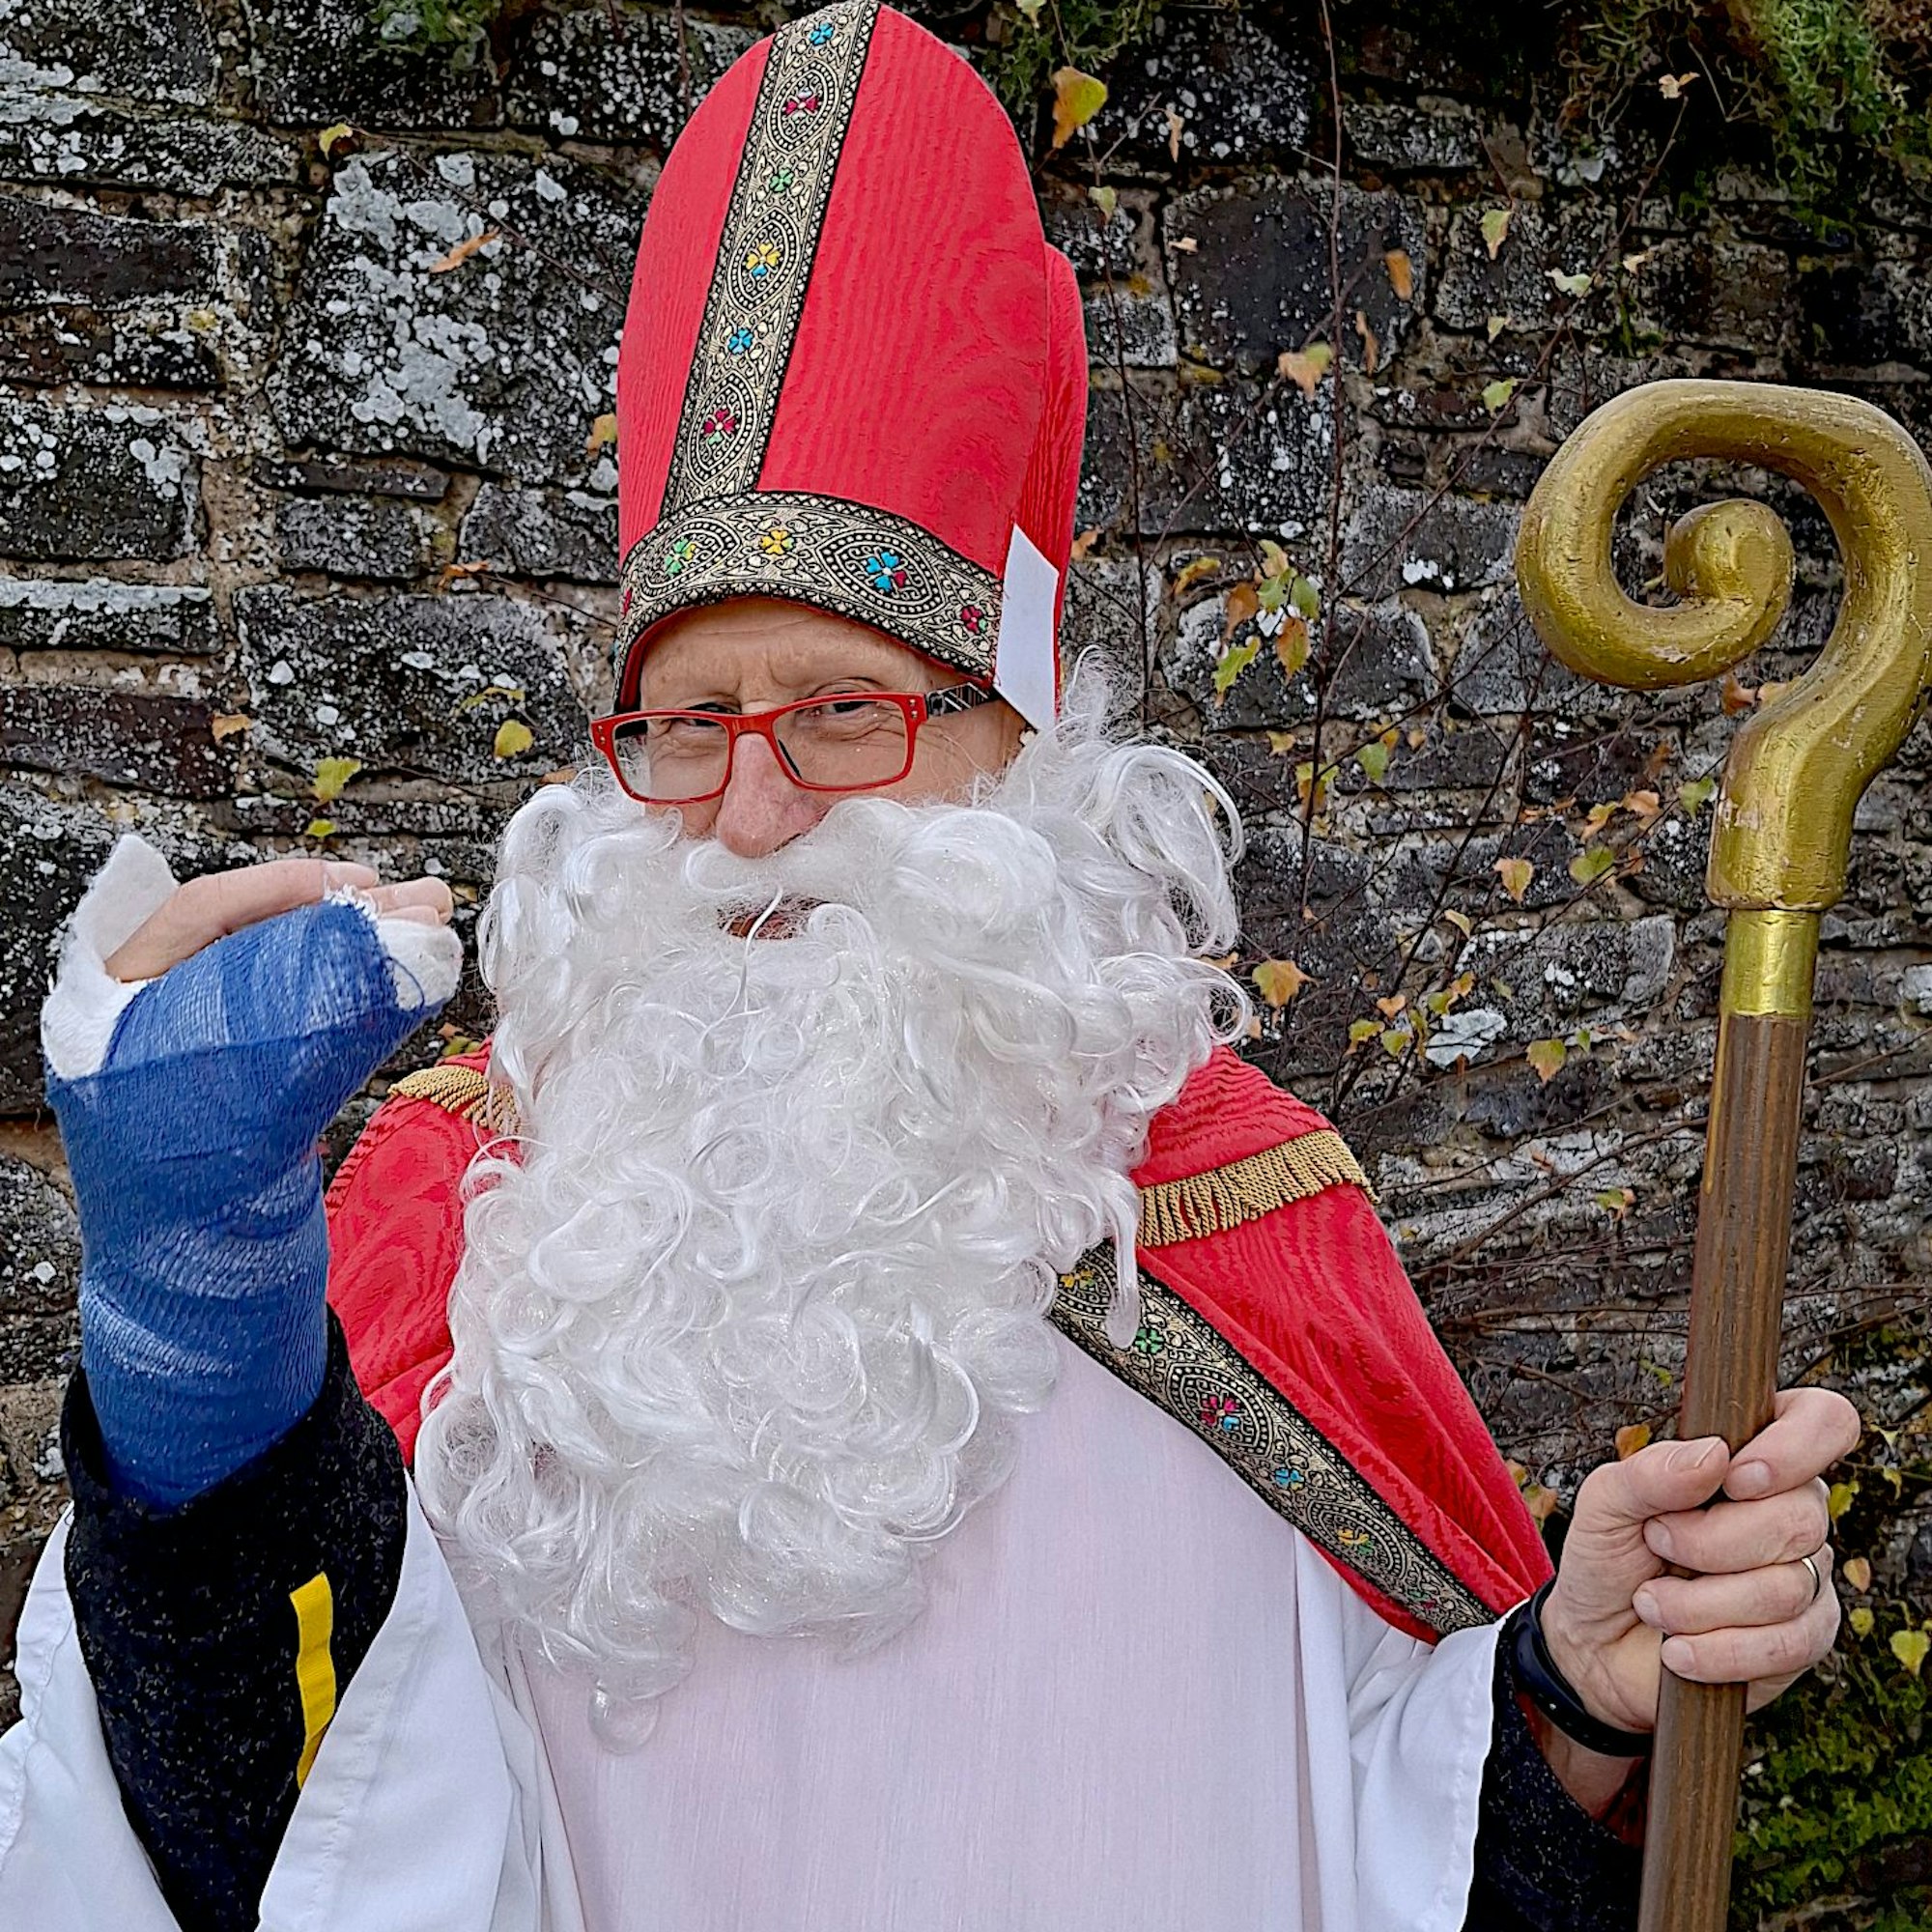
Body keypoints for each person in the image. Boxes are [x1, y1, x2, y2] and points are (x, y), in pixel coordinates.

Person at [0, 6, 1855, 1930]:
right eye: (688, 723)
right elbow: (281, 1836)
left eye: (844, 711)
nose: (749, 810)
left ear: (1019, 745)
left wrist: (1568, 1702)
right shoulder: (463, 1219)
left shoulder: (1236, 1211)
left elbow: (1366, 1823)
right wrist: (195, 1311)